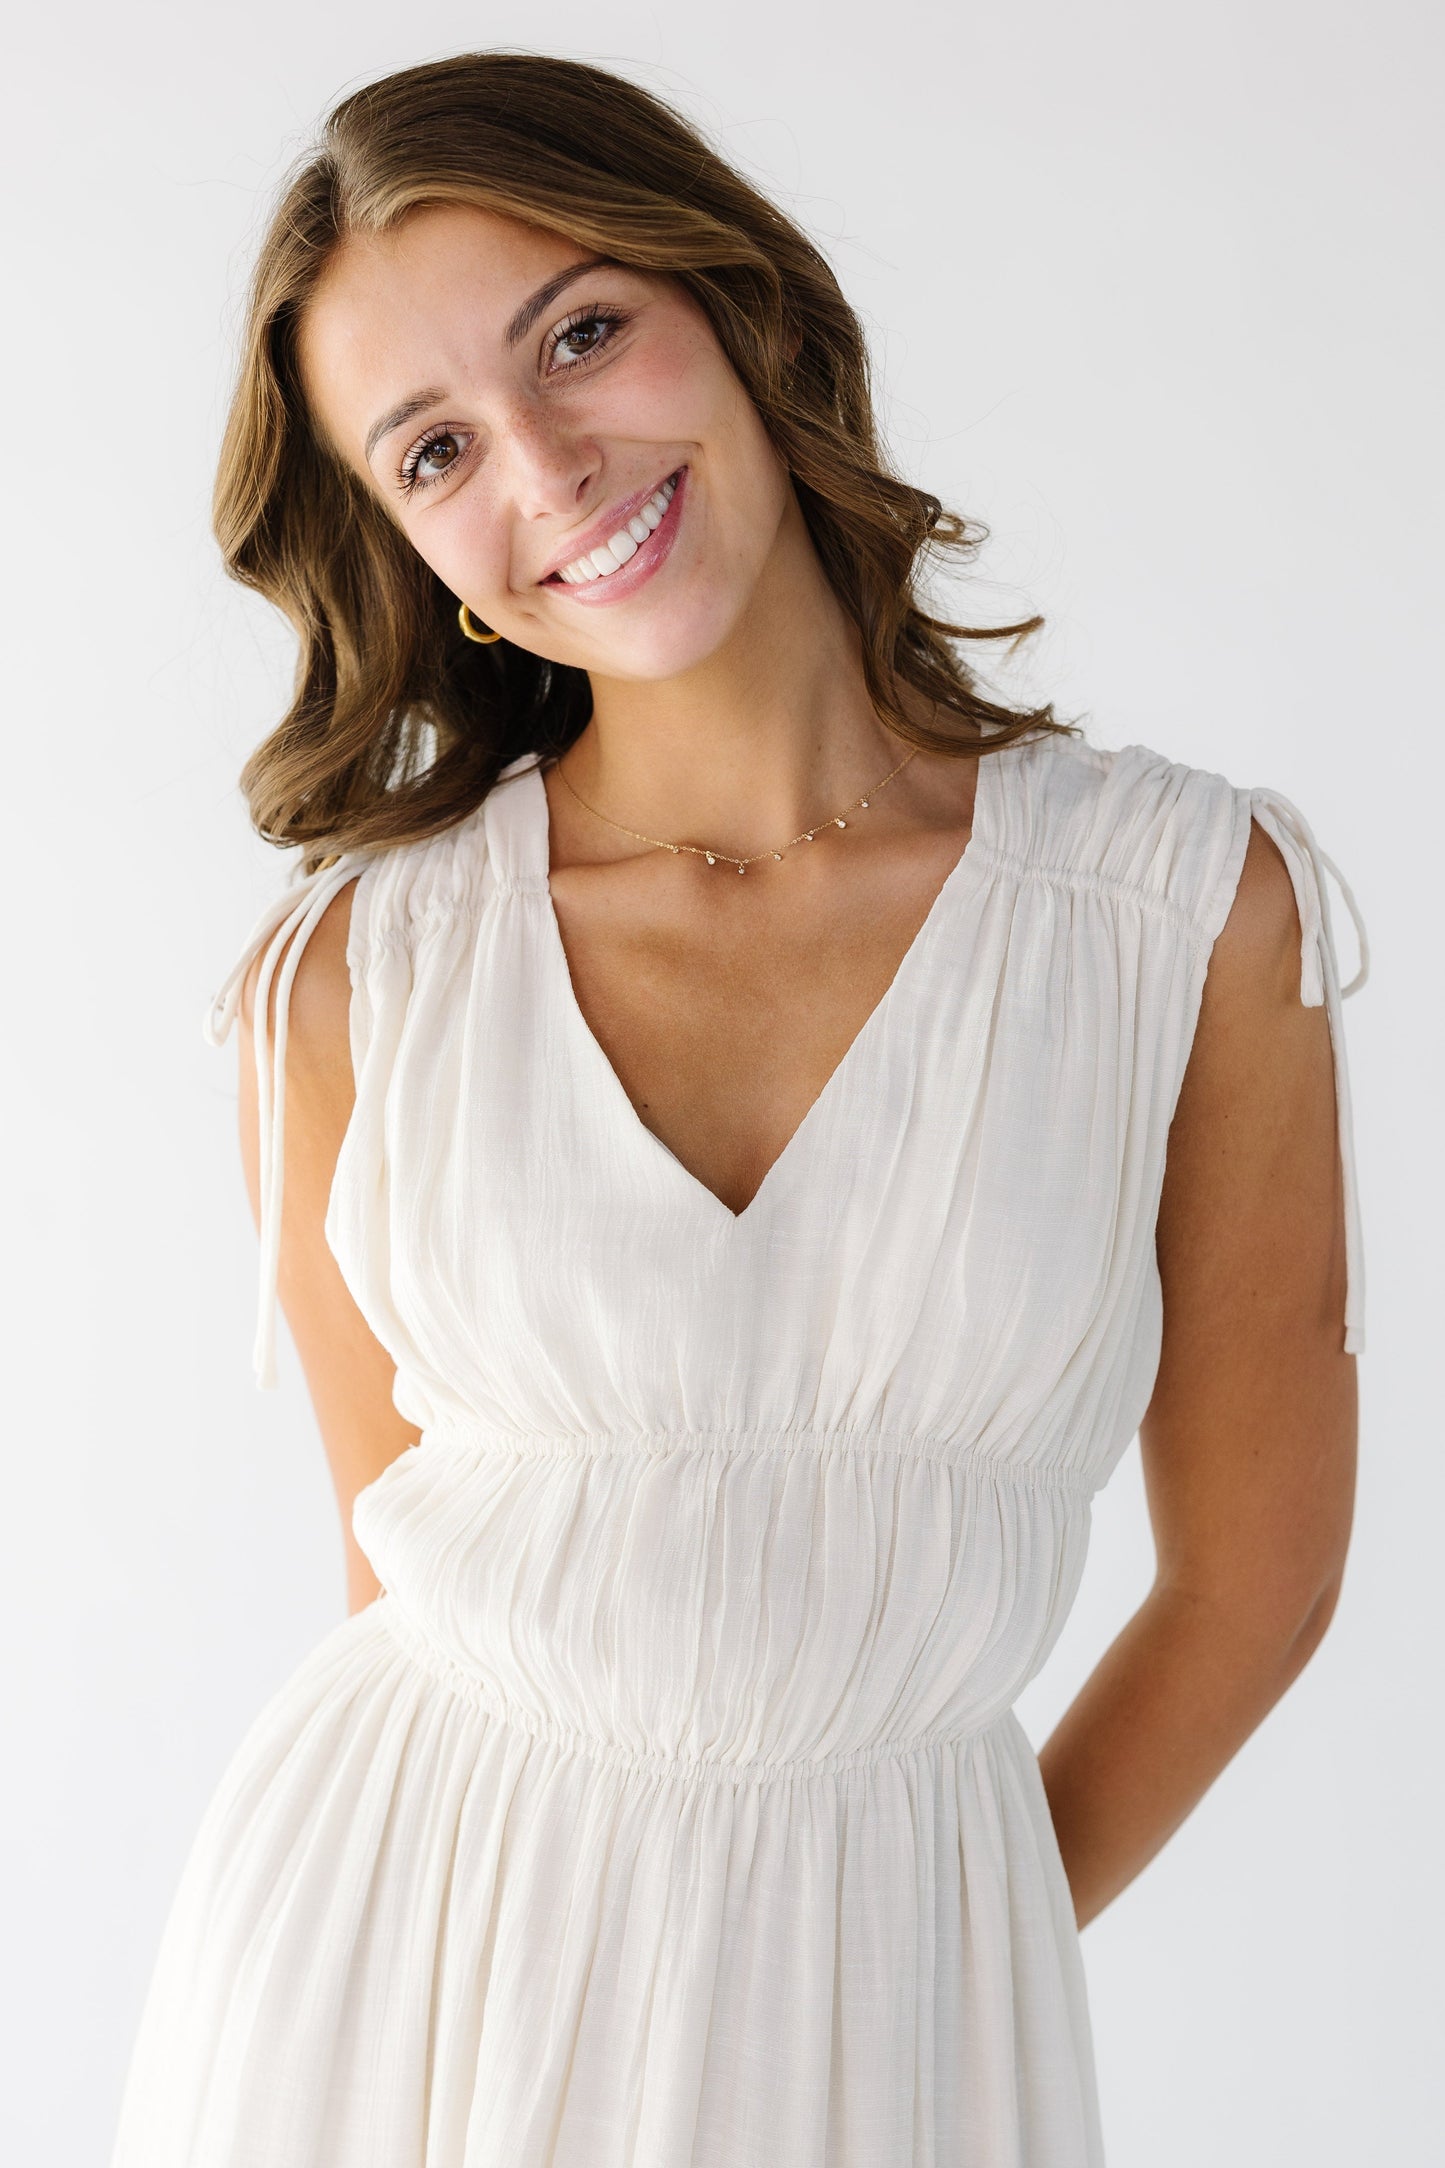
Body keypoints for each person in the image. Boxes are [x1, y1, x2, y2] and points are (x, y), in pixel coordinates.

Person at [110, 49, 1369, 2168]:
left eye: (583, 332)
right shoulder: (359, 983)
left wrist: (904, 1960)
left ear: (742, 300)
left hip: (888, 2016)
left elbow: (1255, 1575)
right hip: (389, 1972)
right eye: (436, 450)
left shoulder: (1176, 910)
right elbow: (391, 1580)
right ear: (413, 548)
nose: (549, 465)